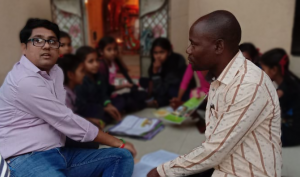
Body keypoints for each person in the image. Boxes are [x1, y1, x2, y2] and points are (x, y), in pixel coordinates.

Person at [148, 10, 281, 177]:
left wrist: (161, 171)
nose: (188, 50)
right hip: (223, 162)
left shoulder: (248, 84)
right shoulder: (222, 78)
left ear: (218, 46)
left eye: (194, 44)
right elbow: (216, 138)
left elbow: (215, 150)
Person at [0, 18, 136, 177]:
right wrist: (118, 142)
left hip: (59, 151)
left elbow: (64, 116)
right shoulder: (24, 80)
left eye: (52, 41)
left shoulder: (56, 72)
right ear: (24, 47)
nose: (46, 46)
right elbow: (65, 119)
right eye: (37, 40)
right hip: (26, 157)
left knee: (121, 157)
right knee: (110, 144)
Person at [57, 54, 105, 149]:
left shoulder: (71, 89)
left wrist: (90, 120)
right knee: (92, 143)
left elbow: (75, 115)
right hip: (63, 134)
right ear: (71, 75)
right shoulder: (63, 95)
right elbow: (69, 124)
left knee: (96, 115)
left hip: (71, 123)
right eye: (82, 71)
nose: (84, 74)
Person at [260, 48, 300, 147]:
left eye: (264, 69)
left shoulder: (282, 90)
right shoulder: (292, 82)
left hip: (292, 135)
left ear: (274, 70)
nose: (261, 73)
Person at [140, 37, 195, 108]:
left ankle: (157, 102)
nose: (158, 56)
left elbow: (162, 90)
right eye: (155, 53)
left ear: (168, 52)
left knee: (165, 94)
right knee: (142, 81)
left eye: (162, 52)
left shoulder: (175, 61)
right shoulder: (156, 63)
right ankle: (155, 101)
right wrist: (154, 72)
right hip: (165, 87)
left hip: (180, 91)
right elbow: (154, 84)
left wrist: (156, 73)